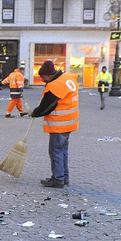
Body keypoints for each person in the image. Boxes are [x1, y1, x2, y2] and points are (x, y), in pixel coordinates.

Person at [29, 60, 79, 188]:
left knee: (56, 151)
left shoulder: (56, 85)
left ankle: (58, 179)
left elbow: (47, 106)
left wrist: (34, 113)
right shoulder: (67, 78)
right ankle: (63, 176)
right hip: (69, 123)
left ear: (49, 74)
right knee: (63, 151)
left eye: (43, 77)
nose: (42, 80)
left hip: (59, 124)